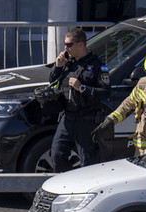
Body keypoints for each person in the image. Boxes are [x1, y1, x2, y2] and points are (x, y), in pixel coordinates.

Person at [46, 28, 110, 172]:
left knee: (88, 161)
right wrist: (58, 67)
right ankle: (66, 184)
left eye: (69, 45)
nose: (65, 48)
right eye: (65, 44)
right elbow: (52, 81)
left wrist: (82, 88)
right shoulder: (68, 62)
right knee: (57, 154)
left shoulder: (97, 65)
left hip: (86, 119)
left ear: (80, 45)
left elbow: (105, 92)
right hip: (67, 117)